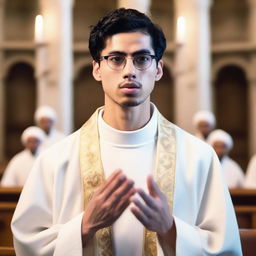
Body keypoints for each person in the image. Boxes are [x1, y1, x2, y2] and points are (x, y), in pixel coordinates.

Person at [11, 8, 242, 256]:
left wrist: (170, 229)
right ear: (97, 69)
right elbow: (27, 243)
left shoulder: (199, 158)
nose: (129, 70)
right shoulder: (55, 161)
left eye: (142, 58)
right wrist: (84, 226)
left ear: (159, 69)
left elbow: (226, 248)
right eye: (116, 58)